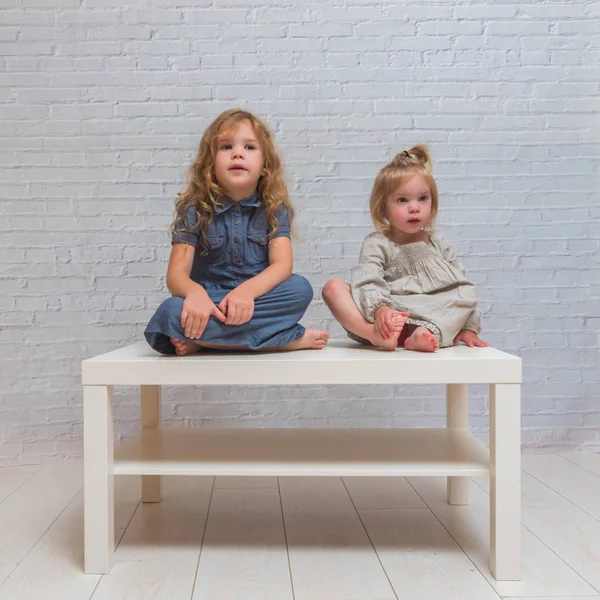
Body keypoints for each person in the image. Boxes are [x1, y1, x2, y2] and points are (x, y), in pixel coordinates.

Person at [145, 108, 329, 355]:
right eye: (226, 147)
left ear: (265, 165)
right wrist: (195, 294)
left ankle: (202, 340)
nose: (238, 153)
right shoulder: (193, 209)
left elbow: (282, 266)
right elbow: (176, 275)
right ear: (209, 164)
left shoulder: (274, 209)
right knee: (171, 311)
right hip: (211, 300)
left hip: (256, 300)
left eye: (250, 147)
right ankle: (284, 340)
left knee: (300, 289)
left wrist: (247, 292)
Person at [322, 145, 488, 353]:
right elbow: (368, 279)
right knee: (333, 287)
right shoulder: (378, 242)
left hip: (431, 314)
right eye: (402, 200)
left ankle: (419, 336)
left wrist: (467, 327)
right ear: (383, 208)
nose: (414, 207)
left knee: (458, 296)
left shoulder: (438, 241)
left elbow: (460, 286)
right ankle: (374, 334)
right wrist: (381, 309)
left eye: (423, 199)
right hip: (386, 318)